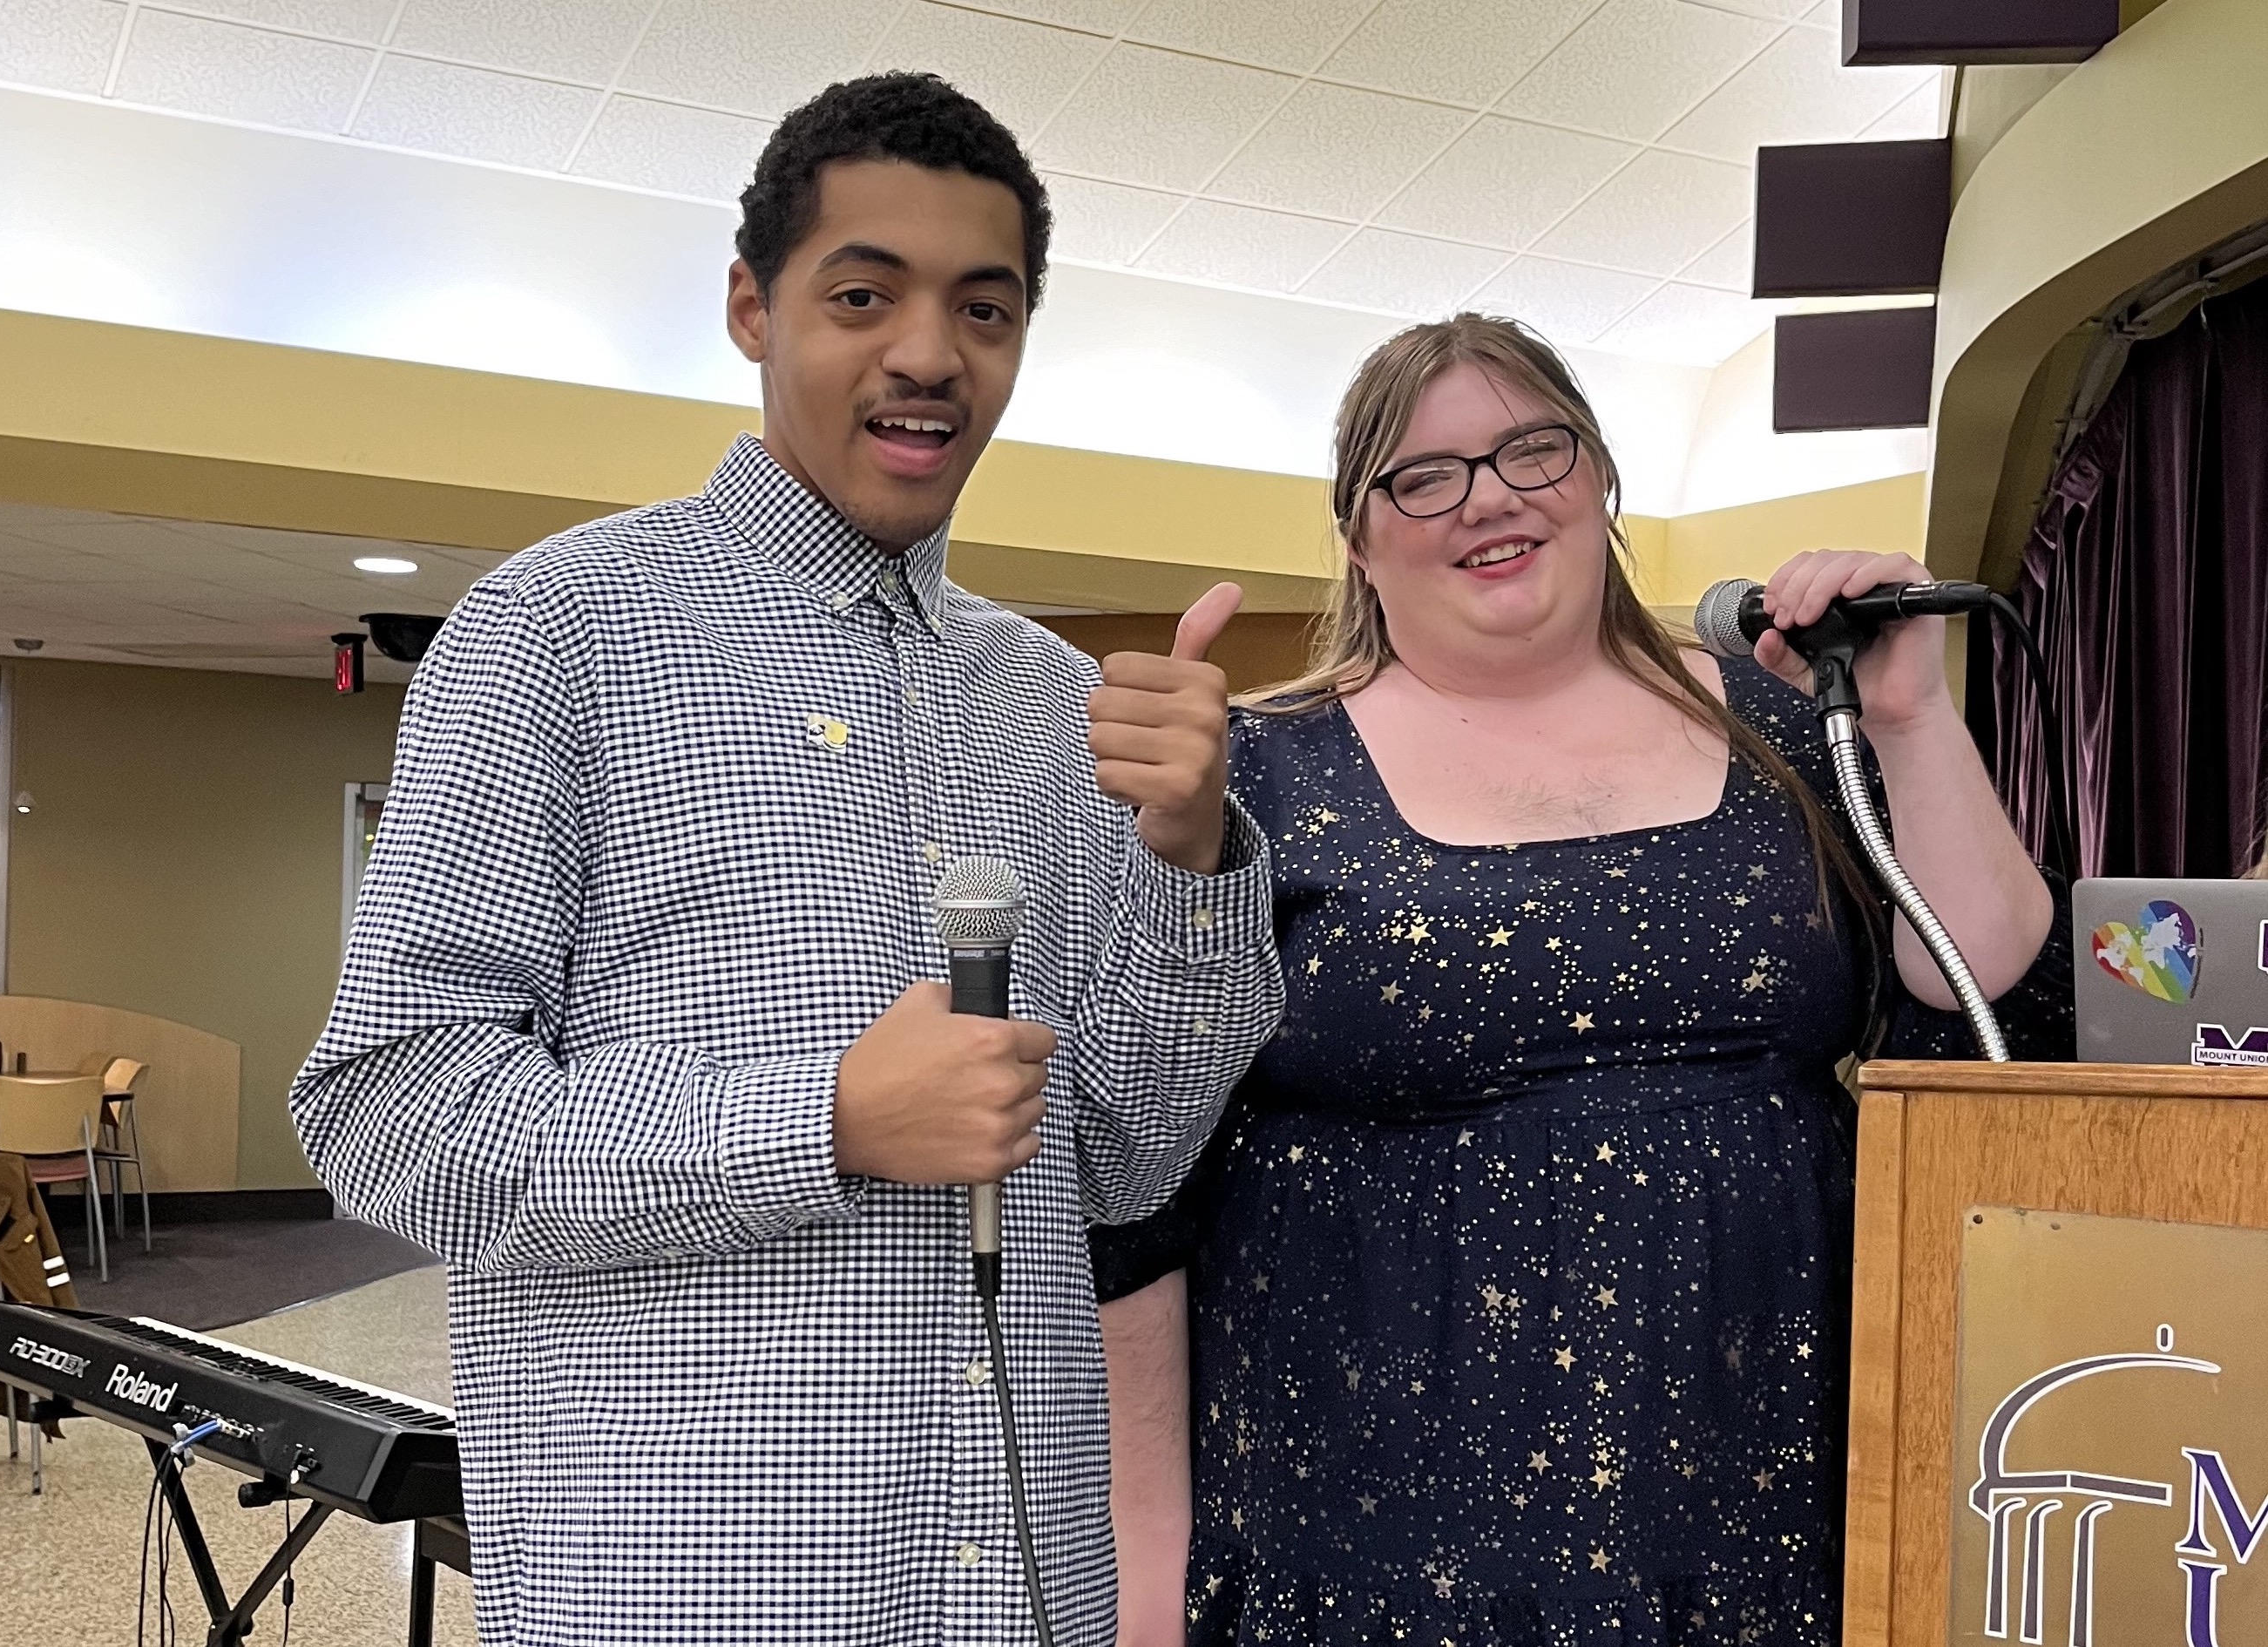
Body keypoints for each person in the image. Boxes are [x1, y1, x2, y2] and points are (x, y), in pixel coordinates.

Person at [290, 73, 1285, 1646]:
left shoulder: (1048, 697)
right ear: (753, 309)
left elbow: (1126, 1159)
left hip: (1011, 1581)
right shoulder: (558, 632)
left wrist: (1187, 858)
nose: (926, 354)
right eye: (862, 293)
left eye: (985, 308)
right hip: (691, 1583)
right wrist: (820, 1120)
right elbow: (389, 1108)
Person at [1094, 315, 2073, 1645]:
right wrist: (1146, 1575)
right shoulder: (1254, 775)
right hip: (1376, 1554)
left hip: (1779, 1517)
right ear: (1357, 536)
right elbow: (1137, 1196)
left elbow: (1989, 1017)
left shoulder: (1784, 724)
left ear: (1598, 478)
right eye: (1422, 474)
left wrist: (1906, 717)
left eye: (1531, 449)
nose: (1490, 495)